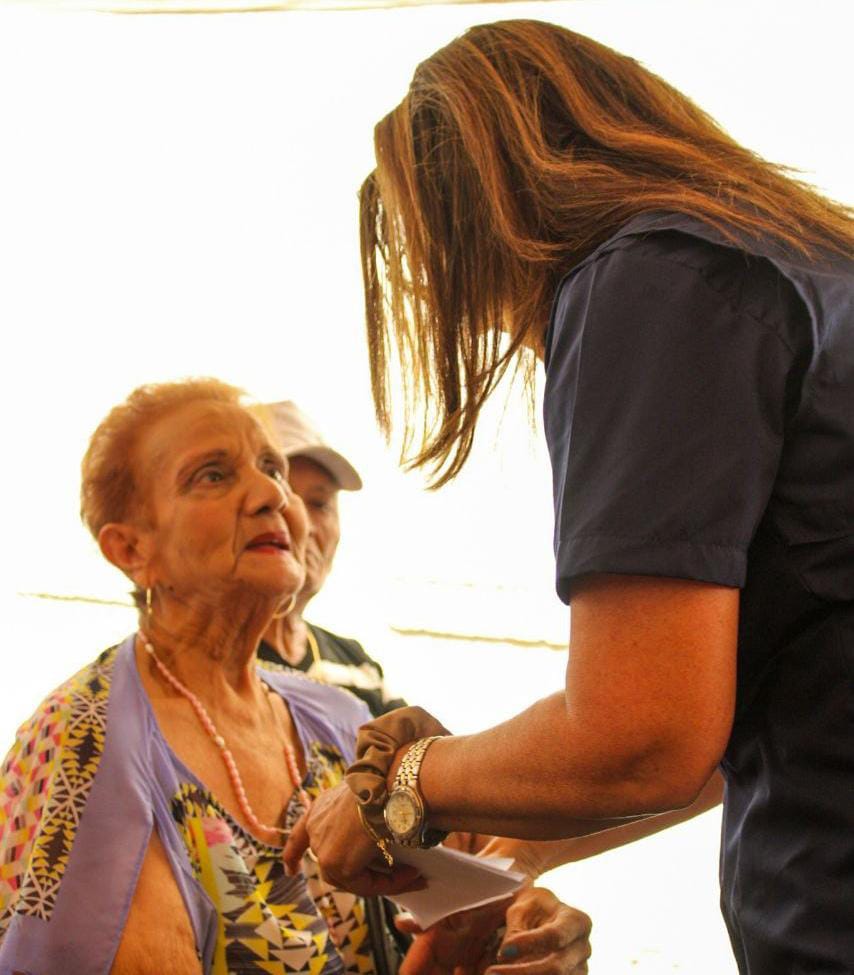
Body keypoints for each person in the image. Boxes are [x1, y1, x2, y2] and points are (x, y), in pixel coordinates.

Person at [283, 20, 854, 974]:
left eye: (448, 274)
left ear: (480, 217)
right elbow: (737, 713)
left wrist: (404, 787)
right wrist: (521, 837)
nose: (491, 320)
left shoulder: (650, 275)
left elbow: (645, 732)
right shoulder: (805, 264)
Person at [0, 378, 592, 975]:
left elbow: (475, 886)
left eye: (271, 469)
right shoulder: (90, 744)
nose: (270, 495)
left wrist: (507, 923)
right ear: (130, 549)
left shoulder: (337, 716)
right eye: (211, 474)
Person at [254, 401, 406, 717]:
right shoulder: (201, 673)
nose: (304, 525)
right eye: (283, 499)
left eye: (320, 504)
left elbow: (419, 760)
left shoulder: (359, 668)